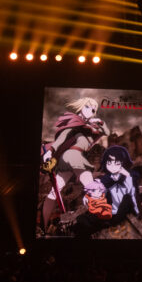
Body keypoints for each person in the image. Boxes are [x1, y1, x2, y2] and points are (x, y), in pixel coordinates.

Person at [39, 96, 108, 231]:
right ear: (81, 107)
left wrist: (99, 121)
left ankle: (43, 226)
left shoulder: (89, 128)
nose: (90, 110)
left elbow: (106, 131)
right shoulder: (74, 122)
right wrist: (50, 151)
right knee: (91, 185)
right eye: (87, 107)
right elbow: (61, 140)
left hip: (70, 160)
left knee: (54, 192)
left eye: (93, 109)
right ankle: (101, 218)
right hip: (72, 156)